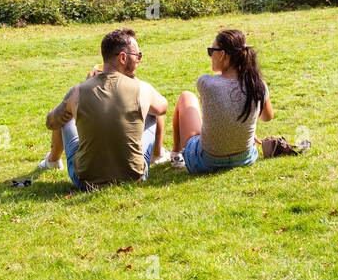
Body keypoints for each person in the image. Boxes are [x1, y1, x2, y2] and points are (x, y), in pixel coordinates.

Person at [39, 28, 169, 189]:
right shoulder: (142, 88)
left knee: (65, 115)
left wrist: (78, 102)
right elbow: (163, 107)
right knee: (153, 112)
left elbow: (52, 122)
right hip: (135, 177)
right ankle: (158, 155)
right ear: (123, 57)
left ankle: (52, 160)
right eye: (138, 56)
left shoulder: (77, 91)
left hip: (85, 181)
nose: (139, 60)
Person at [170, 28, 273, 174]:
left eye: (212, 51)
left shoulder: (206, 83)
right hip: (245, 159)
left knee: (186, 97)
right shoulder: (257, 85)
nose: (210, 55)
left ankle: (175, 154)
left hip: (205, 162)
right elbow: (267, 117)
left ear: (223, 54)